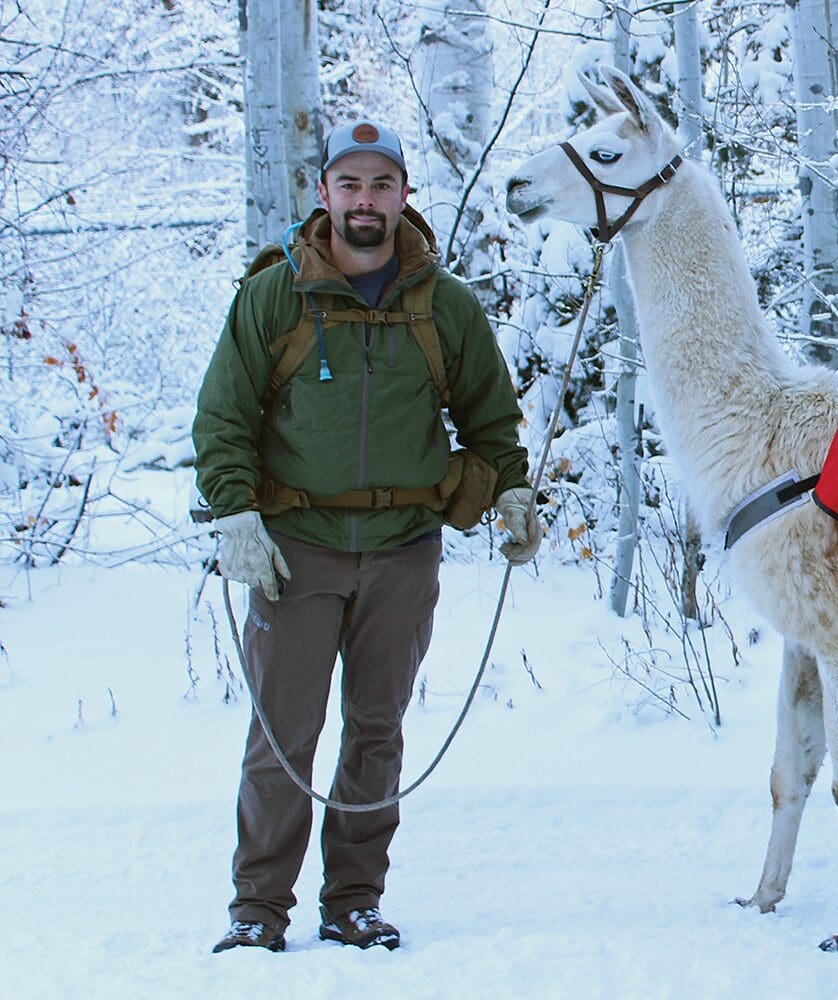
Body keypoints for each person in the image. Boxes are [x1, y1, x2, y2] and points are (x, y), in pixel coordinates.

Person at [194, 121, 542, 953]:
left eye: (380, 185)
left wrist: (513, 491)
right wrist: (234, 509)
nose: (364, 201)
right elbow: (223, 417)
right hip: (295, 549)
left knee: (377, 730)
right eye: (348, 185)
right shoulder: (273, 297)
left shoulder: (445, 305)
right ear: (323, 195)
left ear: (403, 196)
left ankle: (353, 899)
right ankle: (258, 908)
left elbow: (491, 420)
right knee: (283, 733)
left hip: (403, 548)